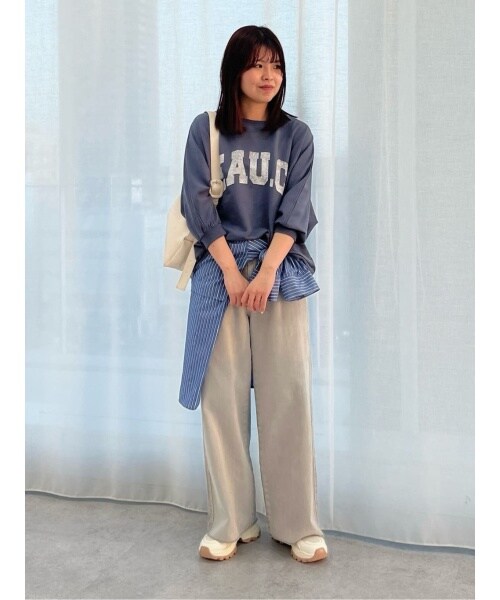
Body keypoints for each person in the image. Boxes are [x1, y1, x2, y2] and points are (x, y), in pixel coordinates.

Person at [178, 25, 328, 563]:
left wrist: (264, 273)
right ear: (235, 69)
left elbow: (297, 208)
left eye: (276, 65)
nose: (269, 75)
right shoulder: (207, 129)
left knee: (288, 396)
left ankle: (297, 524)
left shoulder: (296, 135)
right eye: (257, 64)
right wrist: (231, 272)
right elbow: (197, 204)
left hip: (280, 273)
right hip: (219, 272)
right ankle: (231, 521)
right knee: (222, 400)